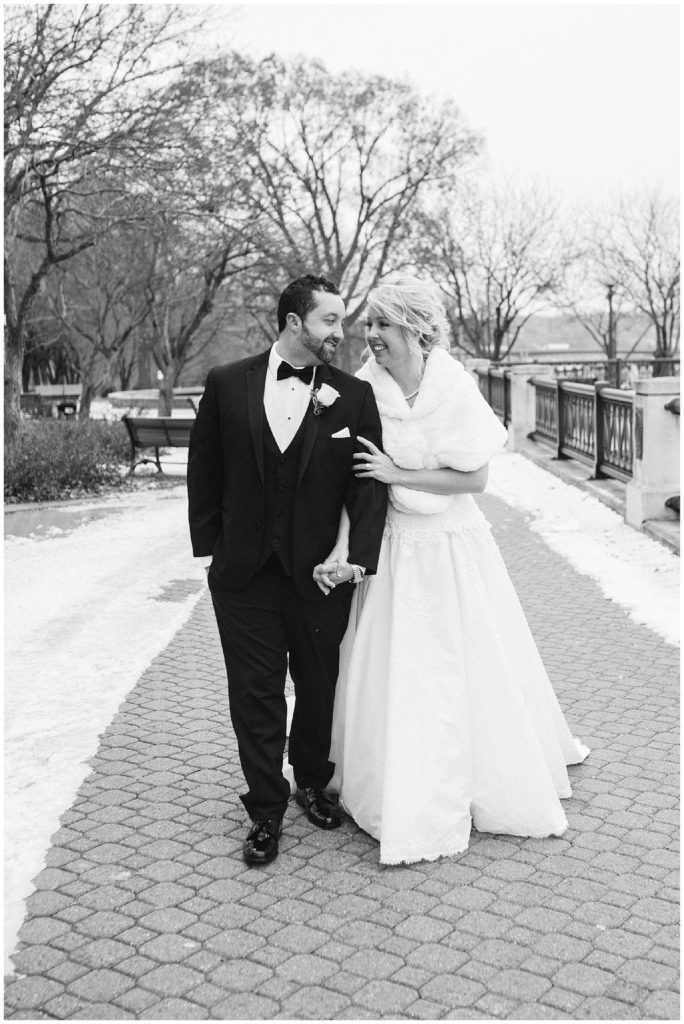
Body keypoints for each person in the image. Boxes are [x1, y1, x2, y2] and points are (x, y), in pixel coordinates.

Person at [315, 276, 589, 866]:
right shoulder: (362, 389)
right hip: (392, 547)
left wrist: (399, 474)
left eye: (383, 325)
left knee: (469, 658)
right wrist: (344, 549)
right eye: (370, 324)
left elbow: (476, 479)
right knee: (398, 664)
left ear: (414, 329)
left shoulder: (453, 385)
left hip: (451, 545)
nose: (371, 335)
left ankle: (486, 770)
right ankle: (394, 775)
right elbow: (351, 485)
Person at [188, 274, 387, 866]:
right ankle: (265, 808)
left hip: (320, 575)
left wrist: (353, 560)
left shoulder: (353, 396)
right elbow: (204, 470)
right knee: (255, 692)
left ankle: (311, 782)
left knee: (319, 684)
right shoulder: (228, 382)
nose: (341, 331)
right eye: (330, 320)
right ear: (295, 322)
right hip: (243, 575)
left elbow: (367, 487)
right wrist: (214, 550)